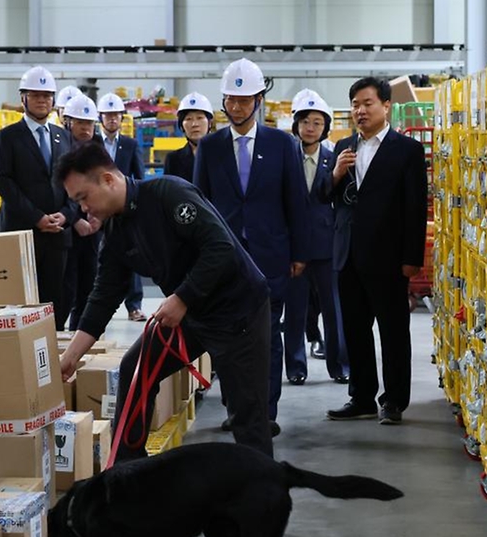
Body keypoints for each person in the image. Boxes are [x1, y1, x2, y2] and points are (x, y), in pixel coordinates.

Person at [56, 142, 275, 460]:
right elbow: (104, 295)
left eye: (83, 198)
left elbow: (220, 247)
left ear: (107, 180)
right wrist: (71, 356)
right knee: (135, 371)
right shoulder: (115, 232)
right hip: (192, 315)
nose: (83, 209)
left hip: (238, 313)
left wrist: (182, 297)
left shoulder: (168, 194)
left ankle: (262, 497)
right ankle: (127, 470)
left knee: (247, 412)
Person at [193, 57, 308, 433]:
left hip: (271, 256)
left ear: (259, 100)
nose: (237, 107)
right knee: (227, 338)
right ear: (223, 101)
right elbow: (200, 204)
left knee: (267, 336)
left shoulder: (282, 145)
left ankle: (265, 413)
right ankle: (237, 408)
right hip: (223, 259)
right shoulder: (210, 148)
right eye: (231, 99)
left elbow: (296, 201)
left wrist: (298, 254)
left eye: (244, 100)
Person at [322, 77, 428, 425]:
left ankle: (394, 401)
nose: (360, 110)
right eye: (354, 104)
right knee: (355, 330)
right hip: (348, 254)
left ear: (387, 106)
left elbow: (416, 207)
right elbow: (326, 199)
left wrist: (412, 259)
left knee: (393, 331)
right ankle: (362, 397)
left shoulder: (407, 151)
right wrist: (336, 175)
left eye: (367, 103)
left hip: (388, 258)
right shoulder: (342, 148)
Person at [0, 65, 75, 329]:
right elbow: (4, 182)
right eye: (35, 95)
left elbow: (74, 182)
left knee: (55, 299)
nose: (42, 100)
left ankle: (53, 351)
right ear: (23, 98)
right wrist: (37, 217)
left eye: (47, 95)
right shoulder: (7, 137)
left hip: (57, 233)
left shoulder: (64, 137)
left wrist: (68, 214)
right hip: (21, 231)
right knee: (19, 300)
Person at [283, 89, 349, 386]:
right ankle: (296, 367)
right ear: (296, 124)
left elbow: (339, 197)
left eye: (317, 123)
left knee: (333, 310)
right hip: (293, 247)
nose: (311, 127)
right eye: (306, 121)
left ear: (325, 128)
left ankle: (339, 366)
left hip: (326, 247)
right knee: (295, 311)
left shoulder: (334, 158)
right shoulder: (284, 157)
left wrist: (335, 174)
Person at [97, 92, 147, 322]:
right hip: (96, 208)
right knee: (96, 257)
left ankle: (134, 305)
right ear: (101, 118)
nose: (112, 119)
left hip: (124, 210)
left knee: (132, 254)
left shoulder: (130, 145)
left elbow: (139, 176)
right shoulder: (92, 145)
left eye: (116, 115)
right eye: (108, 115)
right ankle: (96, 305)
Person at [60, 94, 104, 330]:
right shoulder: (60, 147)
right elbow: (59, 190)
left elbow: (104, 185)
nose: (86, 128)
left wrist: (98, 217)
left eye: (89, 123)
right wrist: (75, 219)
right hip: (67, 228)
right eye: (81, 123)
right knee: (67, 286)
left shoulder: (97, 149)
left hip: (93, 227)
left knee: (89, 283)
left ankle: (79, 332)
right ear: (68, 123)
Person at [163, 92, 213, 183]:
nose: (195, 124)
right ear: (181, 126)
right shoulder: (173, 160)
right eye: (188, 119)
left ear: (210, 123)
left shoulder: (223, 155)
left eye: (200, 118)